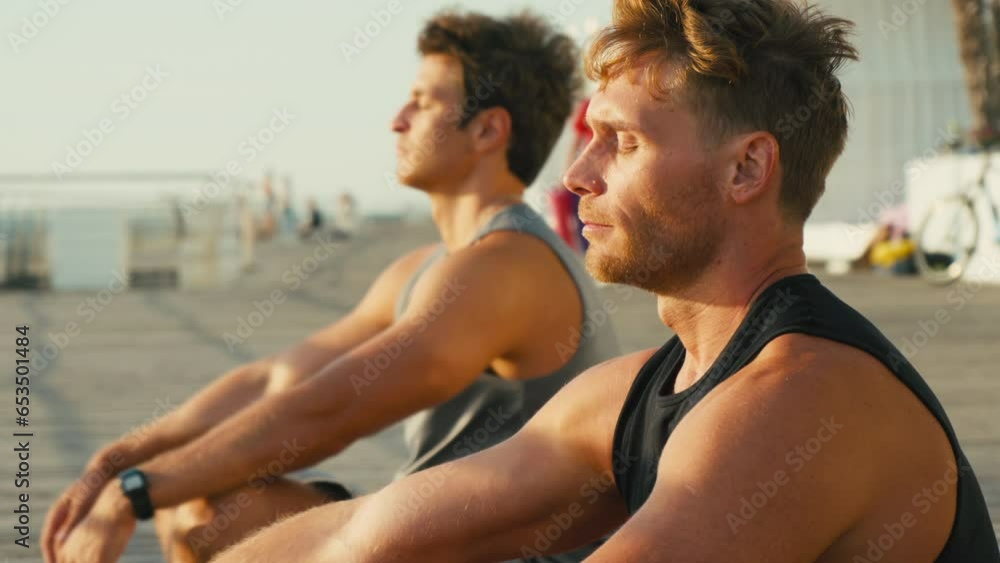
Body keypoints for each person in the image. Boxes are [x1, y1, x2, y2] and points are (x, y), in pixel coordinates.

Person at [216, 1, 1000, 561]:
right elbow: (368, 535)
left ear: (748, 168)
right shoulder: (635, 393)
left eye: (619, 142)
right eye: (587, 137)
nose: (576, 175)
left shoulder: (801, 401)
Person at [41, 10, 619, 563]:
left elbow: (332, 412)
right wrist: (120, 461)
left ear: (488, 129)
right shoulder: (426, 266)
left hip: (514, 551)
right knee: (201, 502)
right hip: (431, 527)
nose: (397, 119)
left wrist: (134, 492)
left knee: (195, 504)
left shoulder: (508, 266)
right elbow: (277, 379)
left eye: (421, 102)